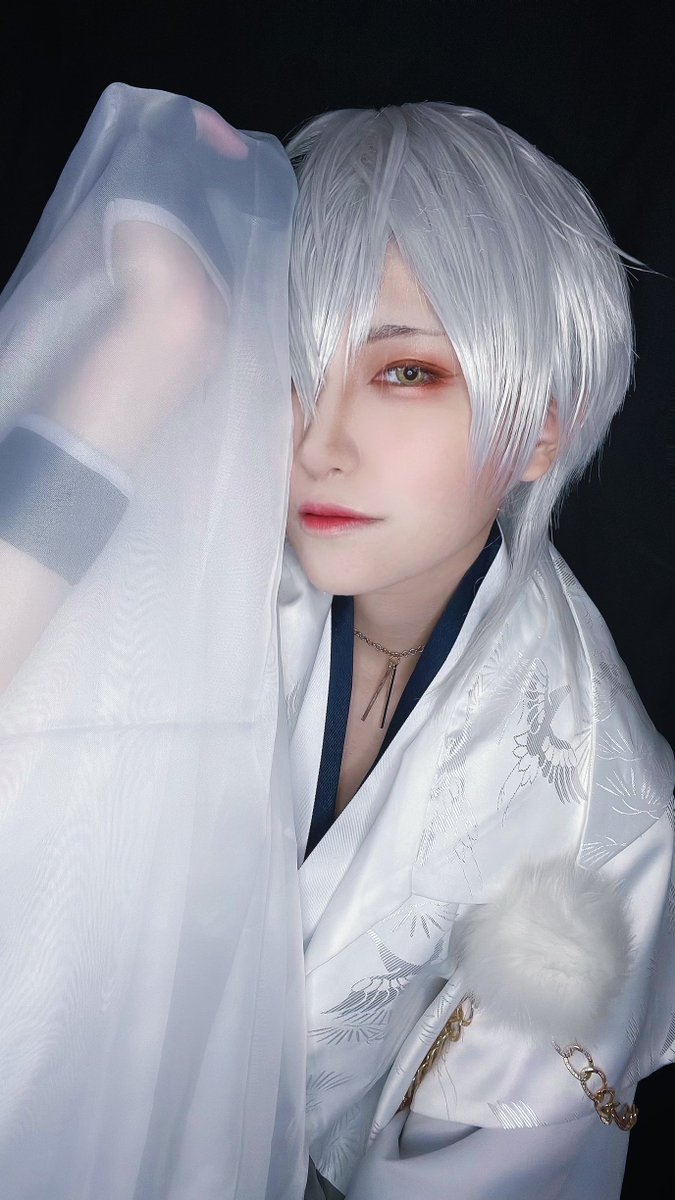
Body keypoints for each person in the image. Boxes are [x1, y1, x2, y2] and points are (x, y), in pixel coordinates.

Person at [0, 83, 672, 1200]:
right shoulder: (208, 536)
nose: (322, 441)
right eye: (297, 365)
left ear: (542, 426)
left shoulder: (602, 813)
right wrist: (151, 346)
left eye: (406, 372)